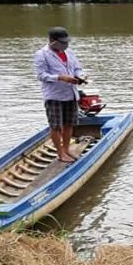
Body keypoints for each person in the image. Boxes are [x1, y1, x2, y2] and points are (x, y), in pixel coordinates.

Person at [33, 26, 86, 163]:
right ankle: (60, 153)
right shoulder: (42, 54)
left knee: (69, 124)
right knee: (56, 126)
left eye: (66, 42)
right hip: (54, 95)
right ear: (52, 40)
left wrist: (80, 76)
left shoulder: (69, 52)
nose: (65, 45)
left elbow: (77, 68)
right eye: (62, 42)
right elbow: (42, 75)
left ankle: (67, 148)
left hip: (70, 93)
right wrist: (60, 77)